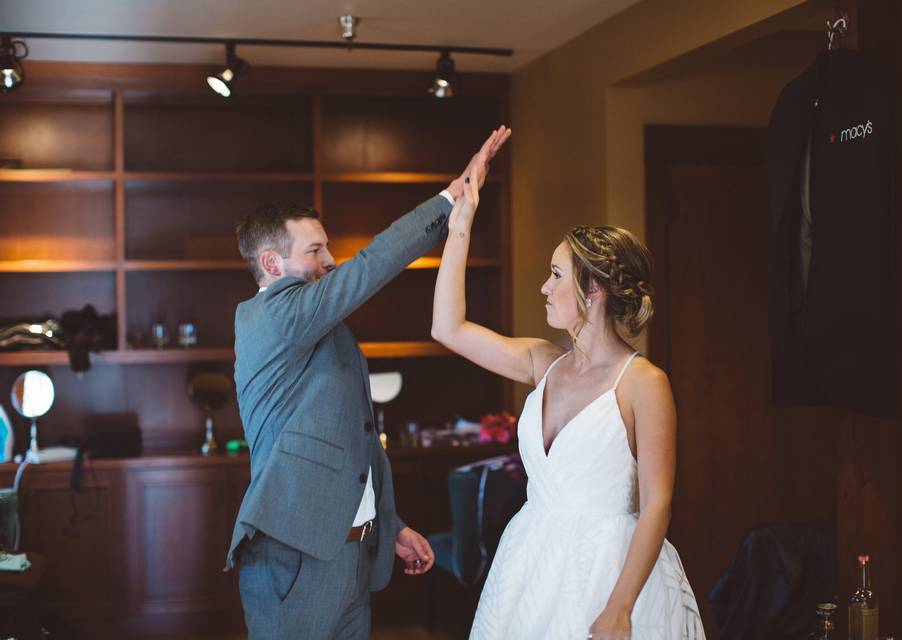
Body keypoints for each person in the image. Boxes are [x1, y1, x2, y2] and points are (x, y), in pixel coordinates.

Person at [225, 126, 512, 640]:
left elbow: (352, 437)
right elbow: (370, 266)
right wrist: (452, 197)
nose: (330, 260)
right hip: (294, 558)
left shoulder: (320, 327)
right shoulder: (270, 317)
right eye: (315, 250)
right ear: (273, 263)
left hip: (350, 556)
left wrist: (391, 522)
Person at [432, 169, 705, 639]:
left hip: (608, 569)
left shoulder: (643, 383)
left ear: (592, 290)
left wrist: (620, 608)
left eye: (555, 274)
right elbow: (447, 329)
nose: (544, 286)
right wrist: (460, 227)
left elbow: (658, 502)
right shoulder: (544, 363)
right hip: (529, 562)